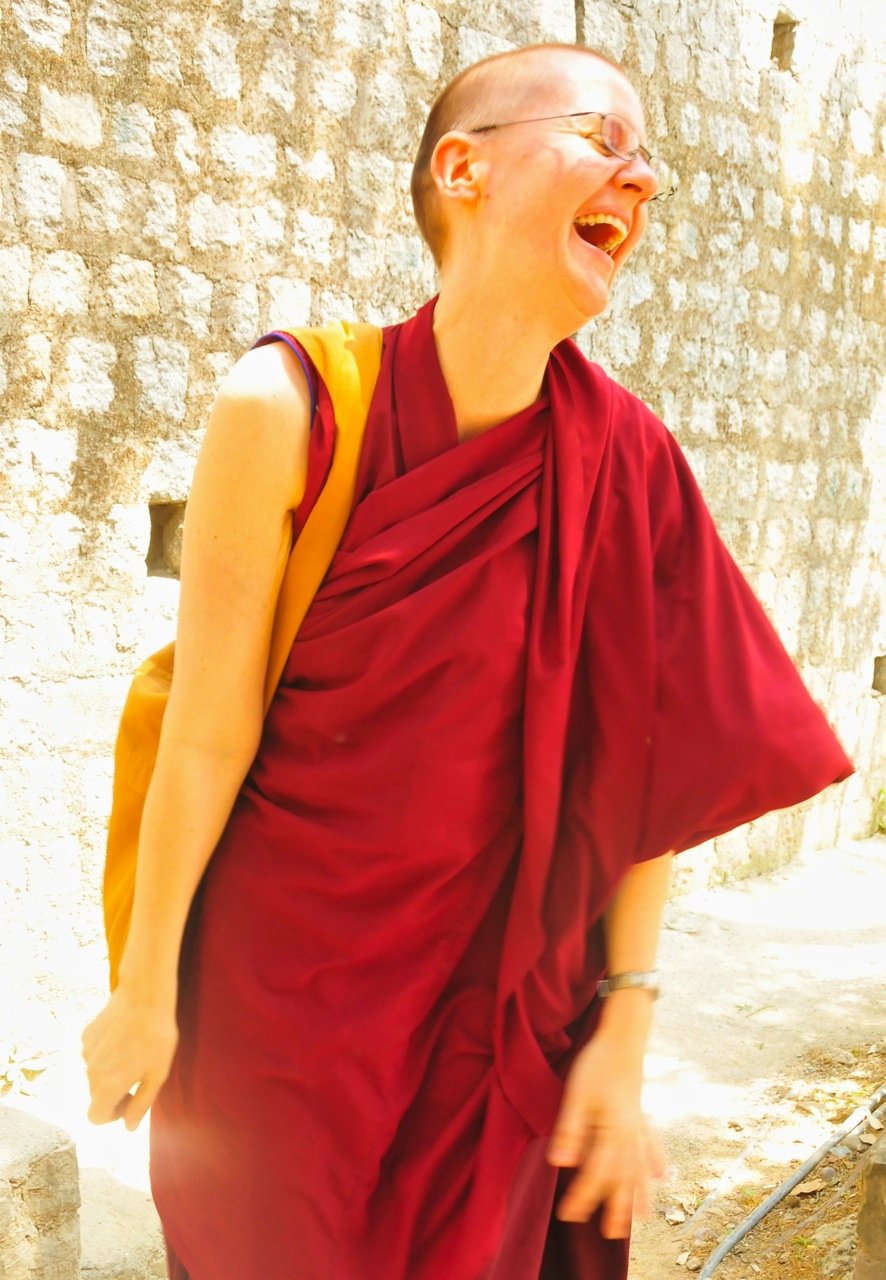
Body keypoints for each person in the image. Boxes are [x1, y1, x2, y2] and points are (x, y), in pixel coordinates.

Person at [82, 42, 852, 1280]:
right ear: (462, 170)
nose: (642, 179)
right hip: (278, 1016)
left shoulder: (628, 461)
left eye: (647, 159)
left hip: (498, 1032)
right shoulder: (290, 406)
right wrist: (146, 987)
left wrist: (625, 1025)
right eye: (602, 139)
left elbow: (641, 771)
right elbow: (207, 729)